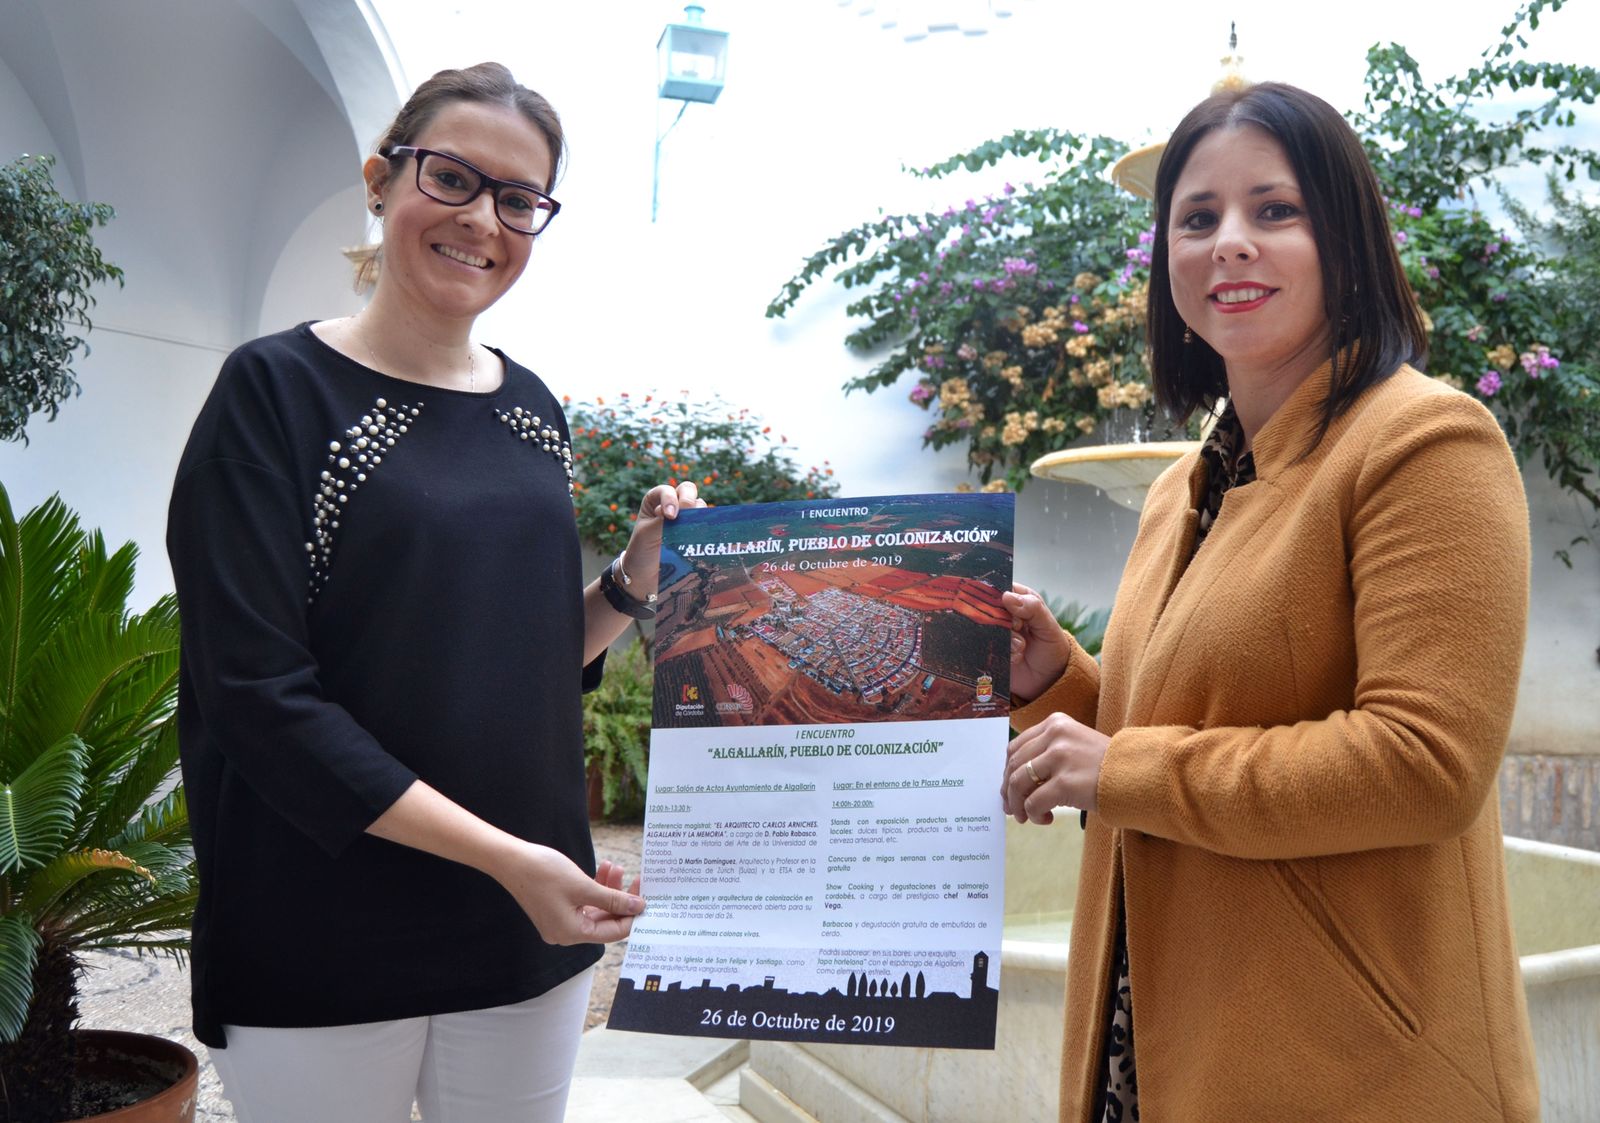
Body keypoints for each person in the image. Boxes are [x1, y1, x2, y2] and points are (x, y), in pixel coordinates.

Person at [167, 62, 698, 1123]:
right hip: (323, 915)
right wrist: (511, 861)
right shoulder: (271, 392)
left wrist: (634, 576)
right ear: (381, 178)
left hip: (523, 924)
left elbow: (528, 656)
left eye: (518, 199)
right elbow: (259, 694)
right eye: (453, 178)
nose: (483, 220)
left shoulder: (531, 407)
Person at [1001, 82, 1539, 1122]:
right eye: (1196, 219)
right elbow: (1191, 727)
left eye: (1273, 210)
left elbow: (1425, 764)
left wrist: (1122, 765)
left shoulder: (1425, 443)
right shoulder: (1183, 485)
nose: (1227, 243)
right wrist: (1062, 683)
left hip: (1347, 1066)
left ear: (1344, 238)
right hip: (1156, 1040)